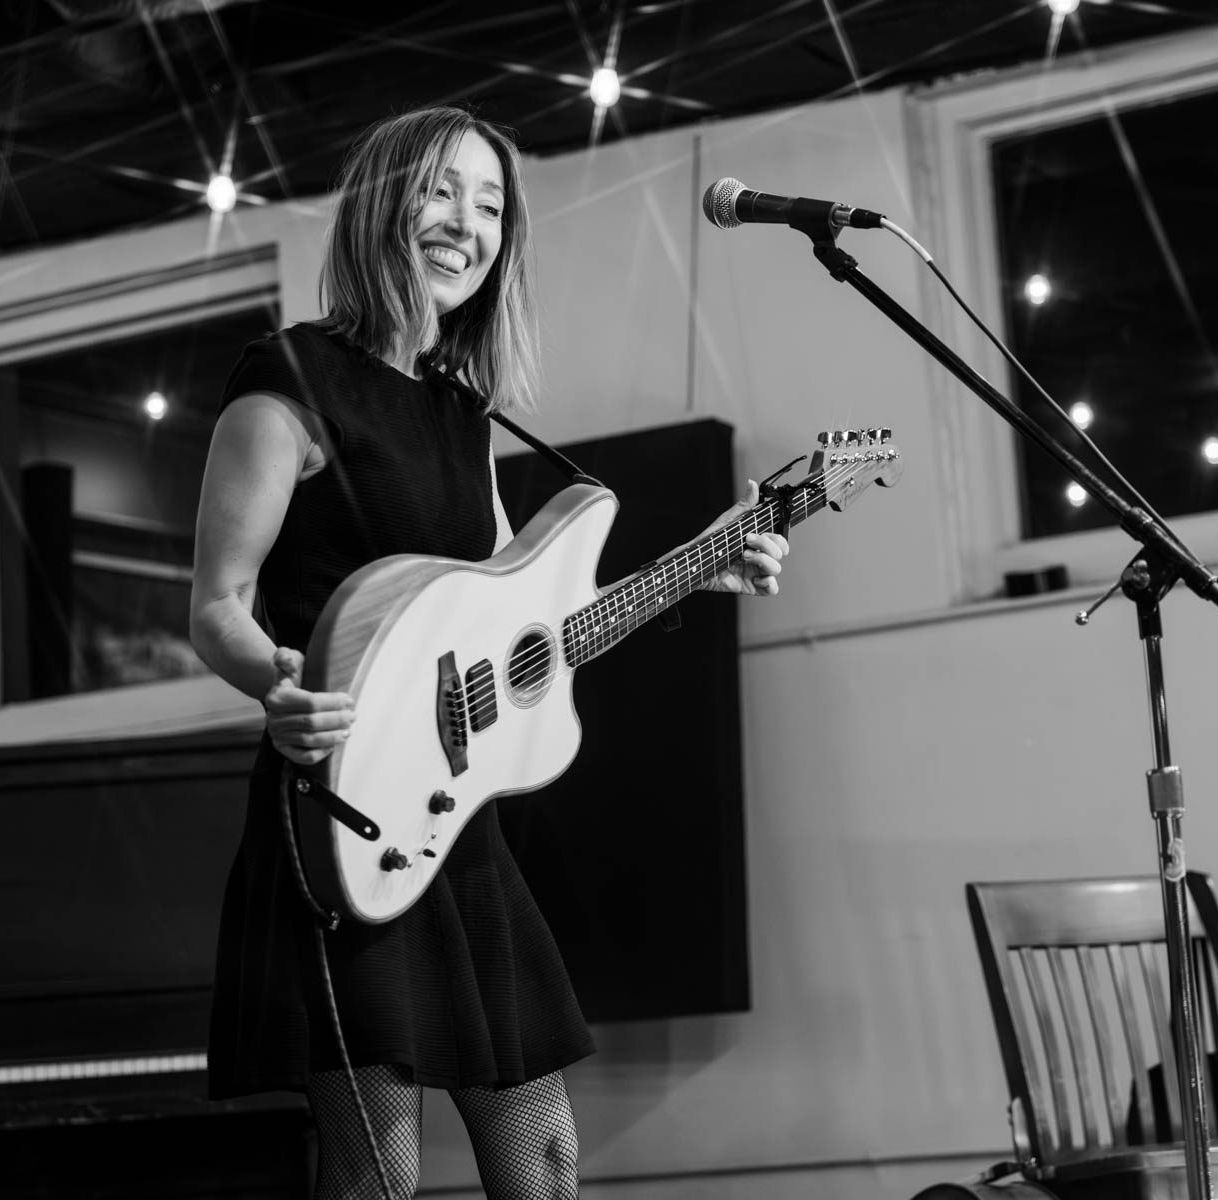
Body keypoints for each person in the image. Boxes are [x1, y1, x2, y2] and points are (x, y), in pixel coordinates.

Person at [189, 105, 790, 1200]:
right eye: (441, 191)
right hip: (343, 816)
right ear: (384, 203)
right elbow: (218, 603)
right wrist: (276, 685)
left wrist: (699, 564)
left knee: (546, 1158)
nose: (467, 222)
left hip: (458, 830)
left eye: (491, 204)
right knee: (381, 1176)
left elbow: (531, 624)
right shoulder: (289, 383)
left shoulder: (466, 413)